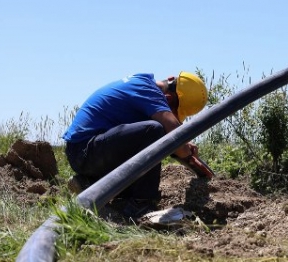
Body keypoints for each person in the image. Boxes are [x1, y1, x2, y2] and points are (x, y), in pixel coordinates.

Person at [62, 71, 208, 220]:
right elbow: (173, 133)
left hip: (89, 152)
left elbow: (168, 137)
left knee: (155, 137)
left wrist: (181, 145)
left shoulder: (142, 86)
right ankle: (141, 205)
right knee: (154, 130)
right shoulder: (147, 90)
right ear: (168, 98)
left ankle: (89, 184)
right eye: (175, 112)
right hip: (84, 151)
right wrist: (186, 152)